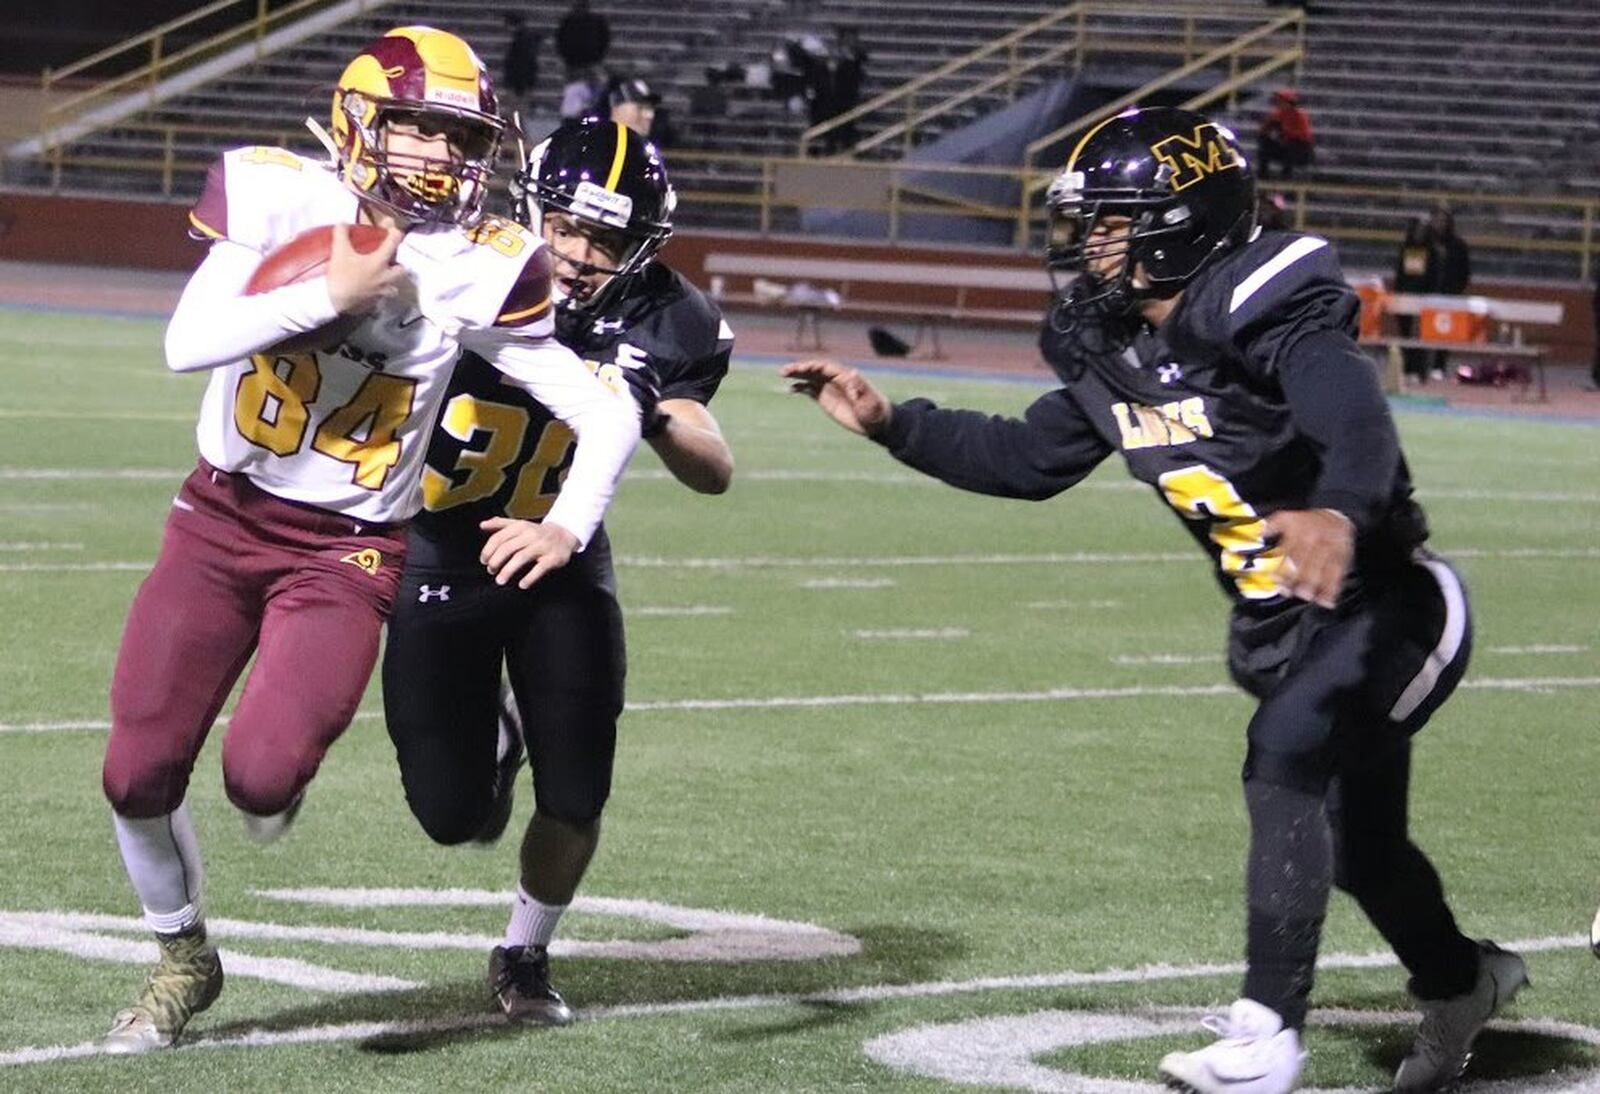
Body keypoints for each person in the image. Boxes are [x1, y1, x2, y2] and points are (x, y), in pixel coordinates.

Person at [782, 106, 1525, 1094]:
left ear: (1181, 222)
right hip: (1284, 626)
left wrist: (1338, 515)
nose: (1088, 242)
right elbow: (1026, 459)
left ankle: (1266, 1032)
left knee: (1287, 752)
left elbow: (1353, 416)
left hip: (1389, 604)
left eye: (1111, 220)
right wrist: (892, 424)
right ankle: (1459, 977)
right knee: (1360, 851)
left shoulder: (1266, 304)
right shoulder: (1112, 349)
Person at [97, 27, 641, 1054]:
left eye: (459, 137)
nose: (441, 156)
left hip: (344, 551)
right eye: (421, 128)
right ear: (360, 121)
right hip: (219, 515)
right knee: (134, 771)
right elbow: (185, 341)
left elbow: (605, 411)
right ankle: (182, 955)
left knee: (262, 776)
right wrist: (329, 297)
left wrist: (568, 522)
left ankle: (271, 783)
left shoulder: (477, 263)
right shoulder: (275, 193)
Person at [383, 117, 733, 1025]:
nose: (577, 254)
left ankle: (525, 951)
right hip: (443, 545)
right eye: (568, 227)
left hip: (564, 555)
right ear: (531, 209)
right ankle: (498, 736)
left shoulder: (666, 315)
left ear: (640, 249)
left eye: (604, 239)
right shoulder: (465, 264)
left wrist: (645, 409)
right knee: (450, 815)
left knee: (577, 791)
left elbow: (713, 466)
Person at [1426, 206, 1471, 381]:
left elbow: (1465, 271)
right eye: (1436, 219)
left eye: (1443, 220)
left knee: (1445, 330)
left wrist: (1456, 289)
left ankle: (1439, 365)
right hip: (1428, 293)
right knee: (1424, 330)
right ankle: (1418, 367)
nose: (1439, 223)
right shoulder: (1425, 243)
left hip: (1449, 295)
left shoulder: (1458, 245)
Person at [1393, 216, 1433, 384]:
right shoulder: (1406, 249)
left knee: (1421, 336)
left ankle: (1419, 370)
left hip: (1424, 300)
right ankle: (1406, 369)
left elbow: (1430, 277)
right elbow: (1403, 276)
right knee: (1406, 335)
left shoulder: (1431, 252)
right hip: (1406, 298)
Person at [555, 0, 611, 119]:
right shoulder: (596, 21)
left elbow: (560, 41)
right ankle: (589, 115)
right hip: (588, 62)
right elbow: (605, 39)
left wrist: (566, 57)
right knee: (593, 94)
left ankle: (573, 116)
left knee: (574, 93)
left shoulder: (568, 22)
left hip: (576, 63)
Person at [1257, 88, 1313, 180]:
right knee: (1265, 146)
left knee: (1293, 145)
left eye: (1282, 100)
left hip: (1301, 151)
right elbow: (1264, 130)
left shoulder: (1300, 115)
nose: (1279, 103)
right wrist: (1267, 129)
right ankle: (1263, 175)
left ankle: (1286, 176)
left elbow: (1303, 137)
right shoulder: (1279, 114)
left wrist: (1284, 129)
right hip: (1286, 147)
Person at [501, 13, 544, 127]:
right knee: (518, 109)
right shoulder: (524, 38)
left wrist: (518, 83)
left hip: (519, 81)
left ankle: (519, 132)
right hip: (522, 80)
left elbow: (521, 63)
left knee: (516, 109)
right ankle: (519, 131)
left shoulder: (521, 40)